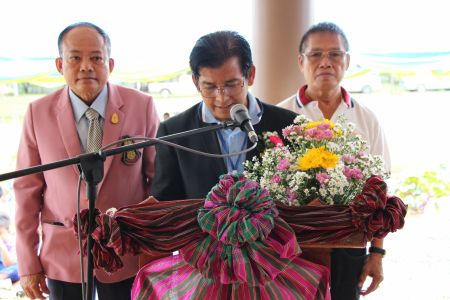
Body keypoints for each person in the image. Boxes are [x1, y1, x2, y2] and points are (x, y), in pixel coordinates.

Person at [13, 22, 159, 300]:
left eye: (96, 58)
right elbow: (25, 193)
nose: (86, 66)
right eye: (75, 58)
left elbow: (157, 183)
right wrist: (28, 262)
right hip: (62, 254)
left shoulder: (142, 106)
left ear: (110, 63)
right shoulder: (37, 113)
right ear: (59, 63)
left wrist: (152, 249)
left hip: (125, 250)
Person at [278, 22, 390, 299]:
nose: (325, 62)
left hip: (351, 247)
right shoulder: (280, 116)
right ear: (301, 61)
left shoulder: (366, 118)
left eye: (335, 54)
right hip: (294, 250)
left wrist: (376, 252)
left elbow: (381, 190)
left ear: (347, 61)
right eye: (316, 54)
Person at [151, 30, 299, 201]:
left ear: (250, 75)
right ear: (196, 82)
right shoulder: (173, 133)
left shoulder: (289, 126)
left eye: (231, 84)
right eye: (209, 87)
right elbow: (165, 204)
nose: (221, 98)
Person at [0, 211, 18, 283]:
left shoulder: (11, 241)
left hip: (7, 268)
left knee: (17, 269)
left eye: (0, 233)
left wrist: (3, 247)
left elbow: (8, 263)